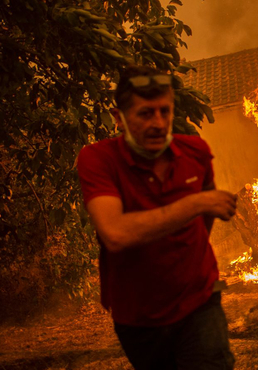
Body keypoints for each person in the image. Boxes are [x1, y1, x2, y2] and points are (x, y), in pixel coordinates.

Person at [77, 65, 237, 369]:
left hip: (199, 303)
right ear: (118, 118)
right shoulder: (97, 159)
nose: (159, 123)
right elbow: (115, 233)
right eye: (145, 113)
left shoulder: (196, 152)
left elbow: (206, 222)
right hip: (138, 317)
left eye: (165, 111)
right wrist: (196, 203)